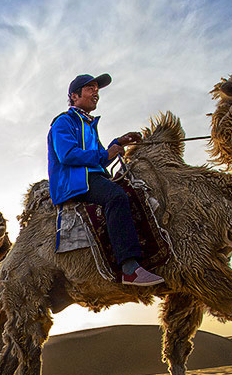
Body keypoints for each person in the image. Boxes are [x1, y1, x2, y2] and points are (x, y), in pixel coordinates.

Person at [47, 72, 165, 286]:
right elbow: (67, 154)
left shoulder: (88, 125)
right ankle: (129, 268)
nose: (96, 93)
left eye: (97, 89)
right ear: (74, 96)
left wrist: (119, 143)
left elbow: (100, 159)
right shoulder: (64, 122)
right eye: (90, 89)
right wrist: (105, 154)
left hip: (91, 176)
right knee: (116, 197)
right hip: (75, 182)